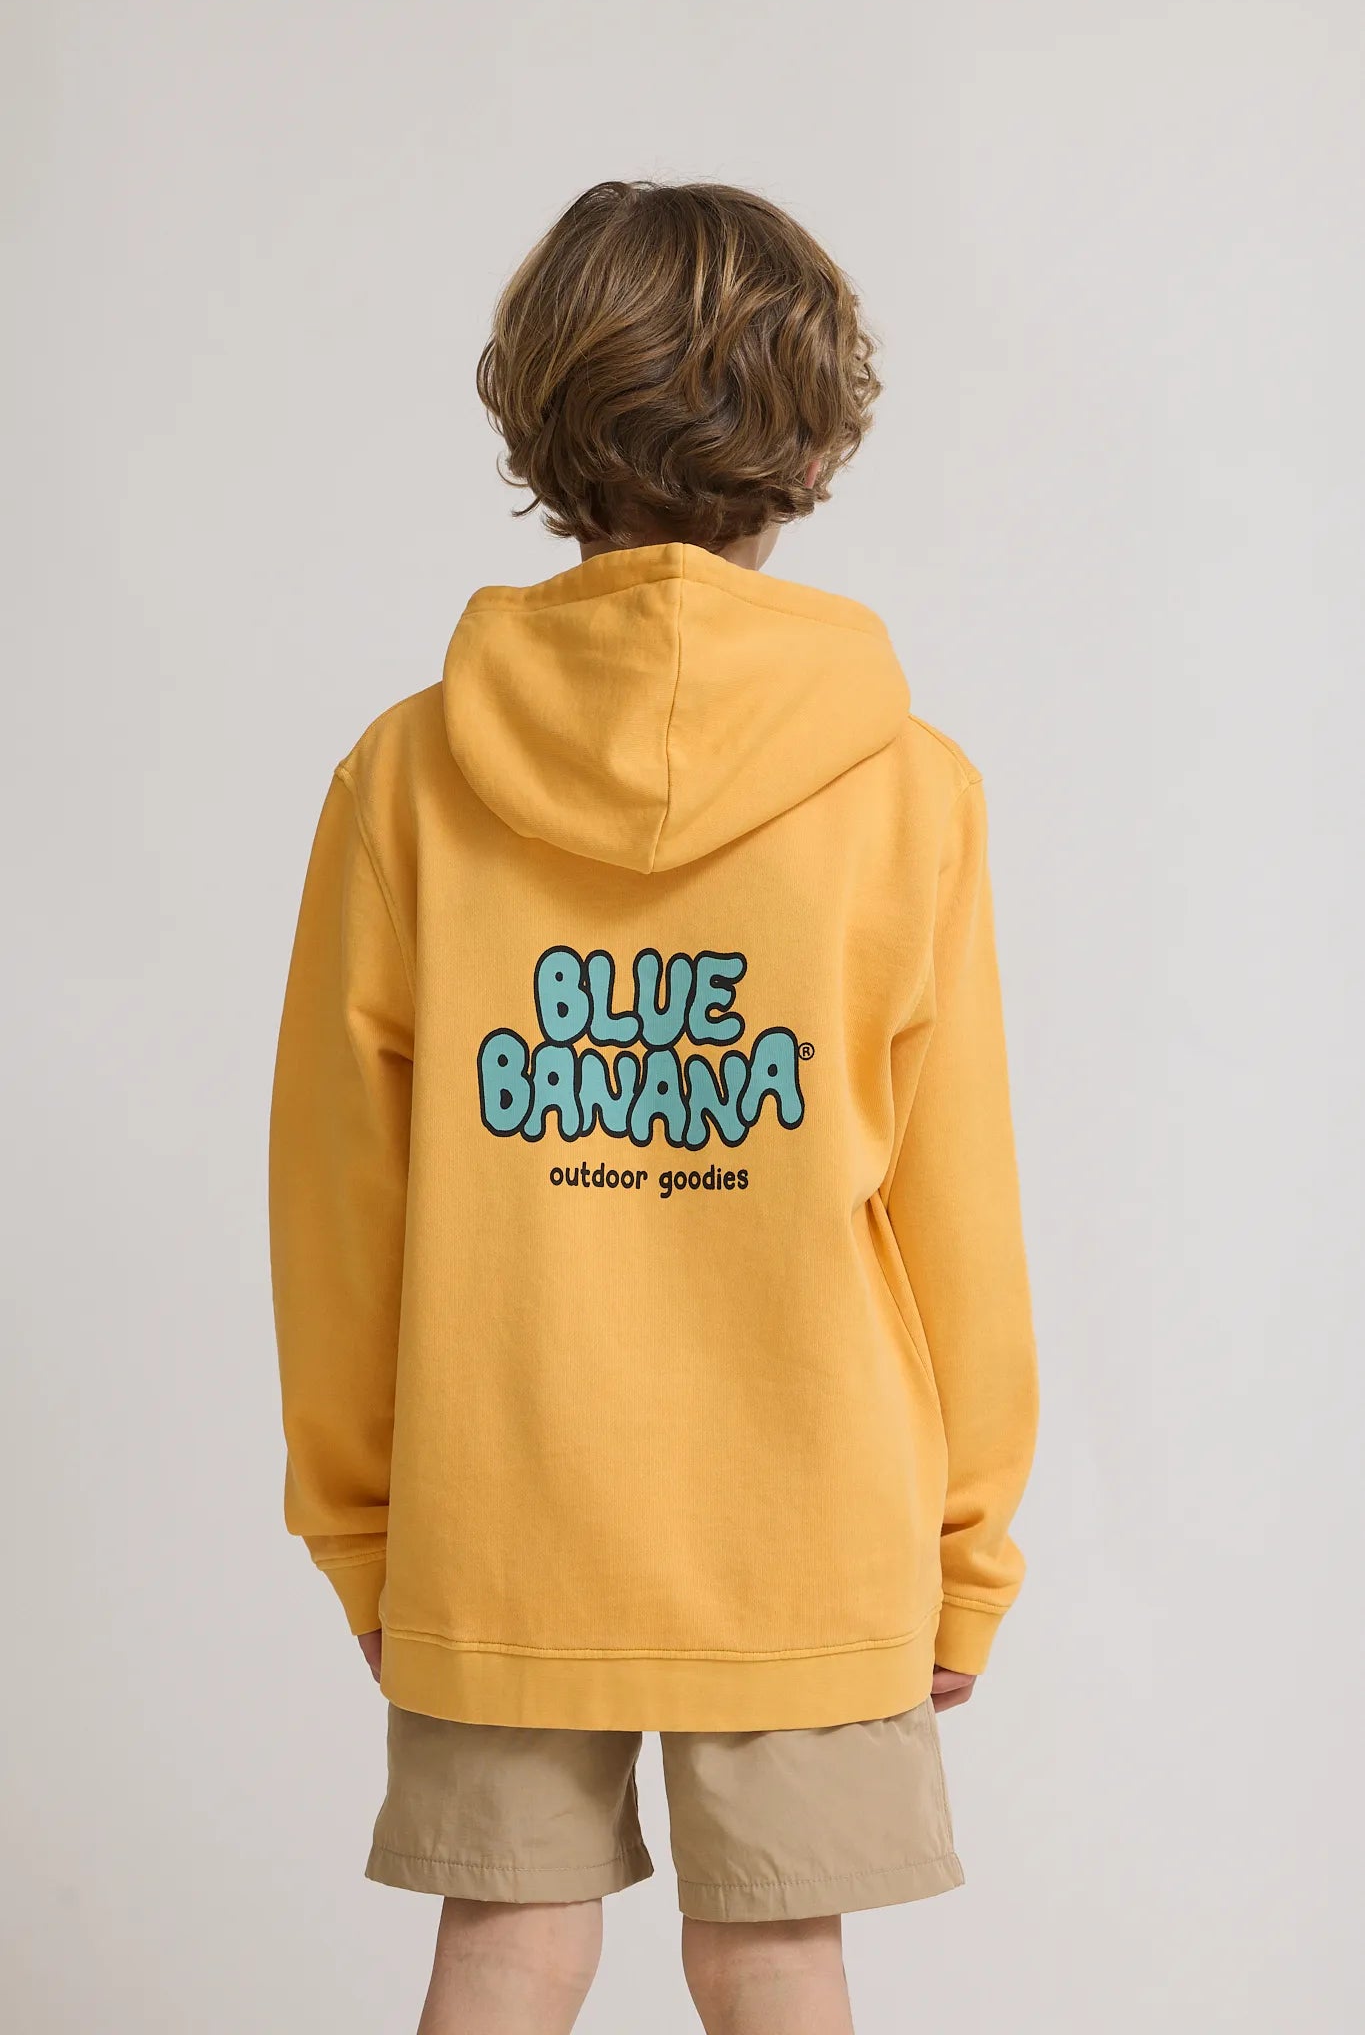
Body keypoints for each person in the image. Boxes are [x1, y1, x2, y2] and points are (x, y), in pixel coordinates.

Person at [270, 178, 1038, 2035]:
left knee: (503, 1942)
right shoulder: (908, 788)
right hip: (809, 1515)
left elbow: (337, 1204)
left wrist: (362, 1531)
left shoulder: (404, 777)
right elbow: (956, 1209)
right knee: (777, 1953)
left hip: (501, 1503)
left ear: (539, 426)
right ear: (816, 443)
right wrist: (964, 1555)